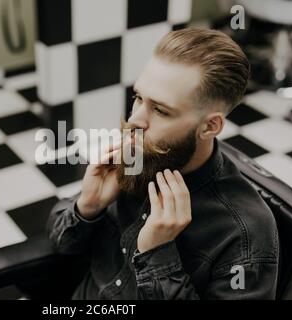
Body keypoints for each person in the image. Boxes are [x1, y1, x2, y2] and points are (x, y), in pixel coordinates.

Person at [46, 27, 280, 300]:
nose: (135, 120)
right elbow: (60, 243)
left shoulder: (245, 236)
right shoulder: (136, 158)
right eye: (138, 98)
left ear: (210, 126)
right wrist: (87, 208)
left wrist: (157, 255)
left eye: (160, 110)